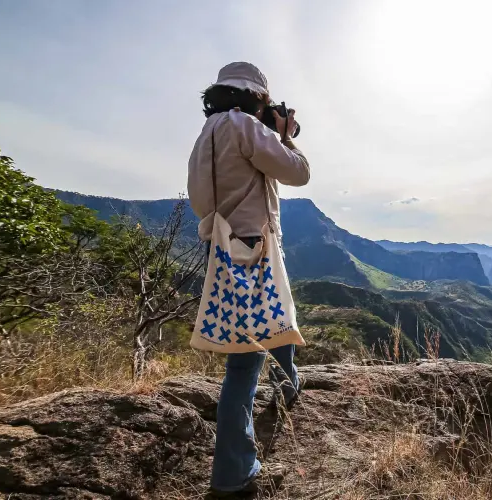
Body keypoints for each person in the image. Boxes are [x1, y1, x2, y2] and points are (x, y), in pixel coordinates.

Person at [187, 62, 310, 497]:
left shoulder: (208, 132)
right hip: (252, 248)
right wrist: (284, 134)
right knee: (244, 360)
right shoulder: (245, 127)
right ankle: (234, 472)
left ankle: (288, 379)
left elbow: (199, 198)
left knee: (278, 315)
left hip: (220, 245)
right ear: (256, 97)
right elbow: (298, 172)